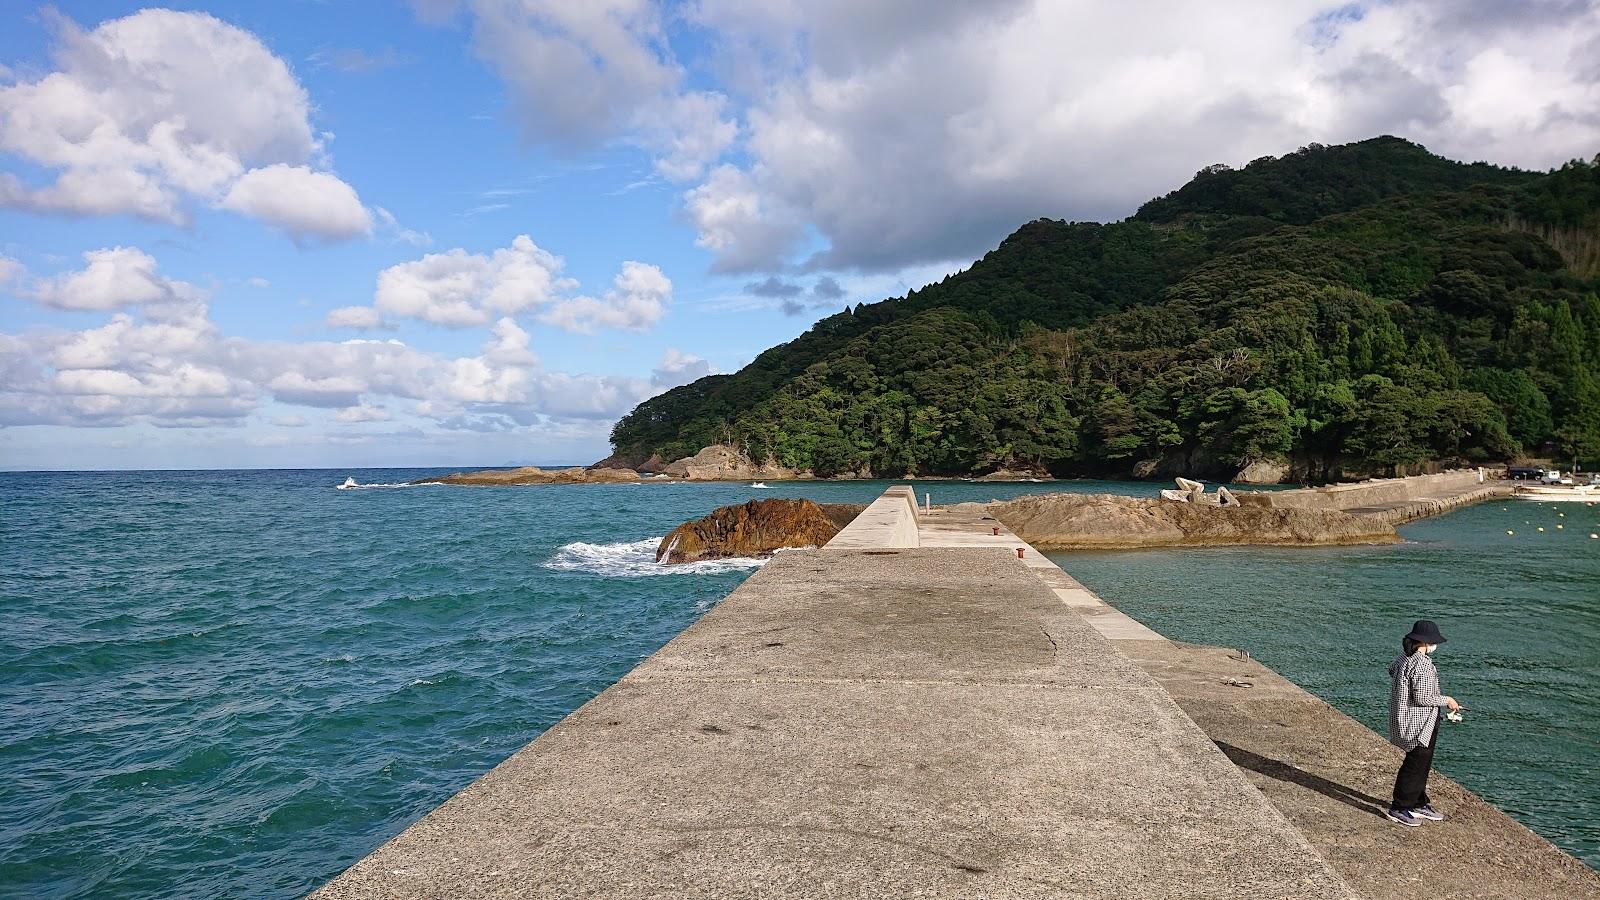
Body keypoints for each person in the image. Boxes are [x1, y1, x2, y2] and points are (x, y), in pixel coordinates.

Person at [1385, 619, 1460, 826]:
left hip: (1403, 717)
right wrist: (1448, 700)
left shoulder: (1403, 658)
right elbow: (1423, 698)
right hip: (1420, 722)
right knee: (1416, 763)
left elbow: (1391, 670)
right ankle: (1399, 806)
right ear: (1426, 643)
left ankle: (1417, 801)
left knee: (1420, 762)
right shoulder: (1422, 664)